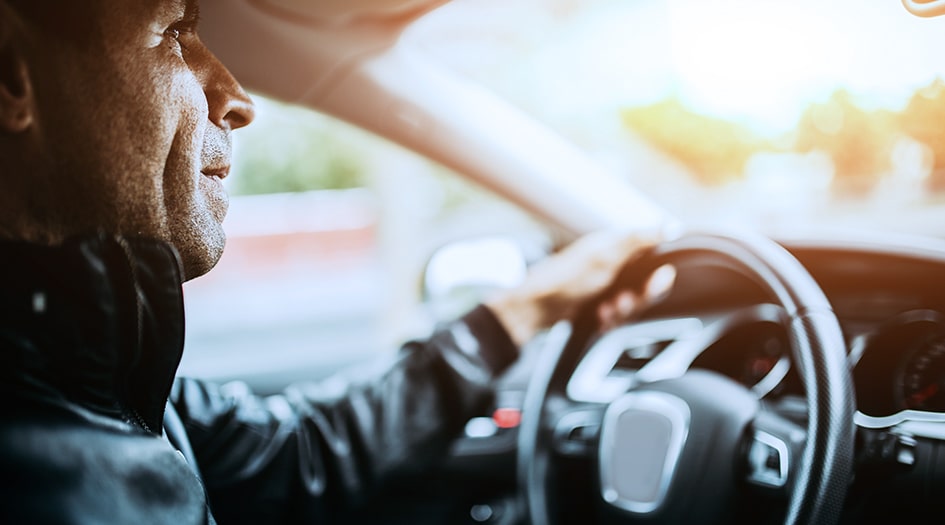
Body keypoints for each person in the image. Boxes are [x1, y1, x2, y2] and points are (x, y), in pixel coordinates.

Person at [0, 1, 663, 523]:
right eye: (174, 32)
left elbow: (301, 455)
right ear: (11, 75)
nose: (236, 98)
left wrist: (530, 306)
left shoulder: (99, 378)